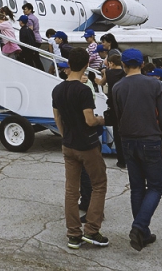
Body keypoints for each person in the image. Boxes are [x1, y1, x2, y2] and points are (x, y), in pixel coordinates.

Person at [113, 48, 162, 251]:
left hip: (128, 140)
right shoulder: (154, 84)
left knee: (137, 188)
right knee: (155, 187)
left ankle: (143, 233)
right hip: (150, 139)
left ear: (124, 65)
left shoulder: (118, 87)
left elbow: (119, 117)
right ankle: (139, 226)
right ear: (142, 64)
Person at [52, 47, 108, 249]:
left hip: (68, 145)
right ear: (86, 65)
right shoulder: (83, 90)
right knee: (98, 185)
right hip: (87, 145)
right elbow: (89, 120)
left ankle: (73, 234)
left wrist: (64, 135)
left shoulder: (57, 89)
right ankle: (92, 230)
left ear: (69, 64)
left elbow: (57, 117)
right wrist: (102, 120)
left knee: (71, 191)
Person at [95, 53, 127, 168]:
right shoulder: (125, 73)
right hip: (125, 105)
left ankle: (121, 160)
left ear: (111, 63)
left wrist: (96, 78)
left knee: (117, 133)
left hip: (113, 106)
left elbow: (101, 83)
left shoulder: (108, 73)